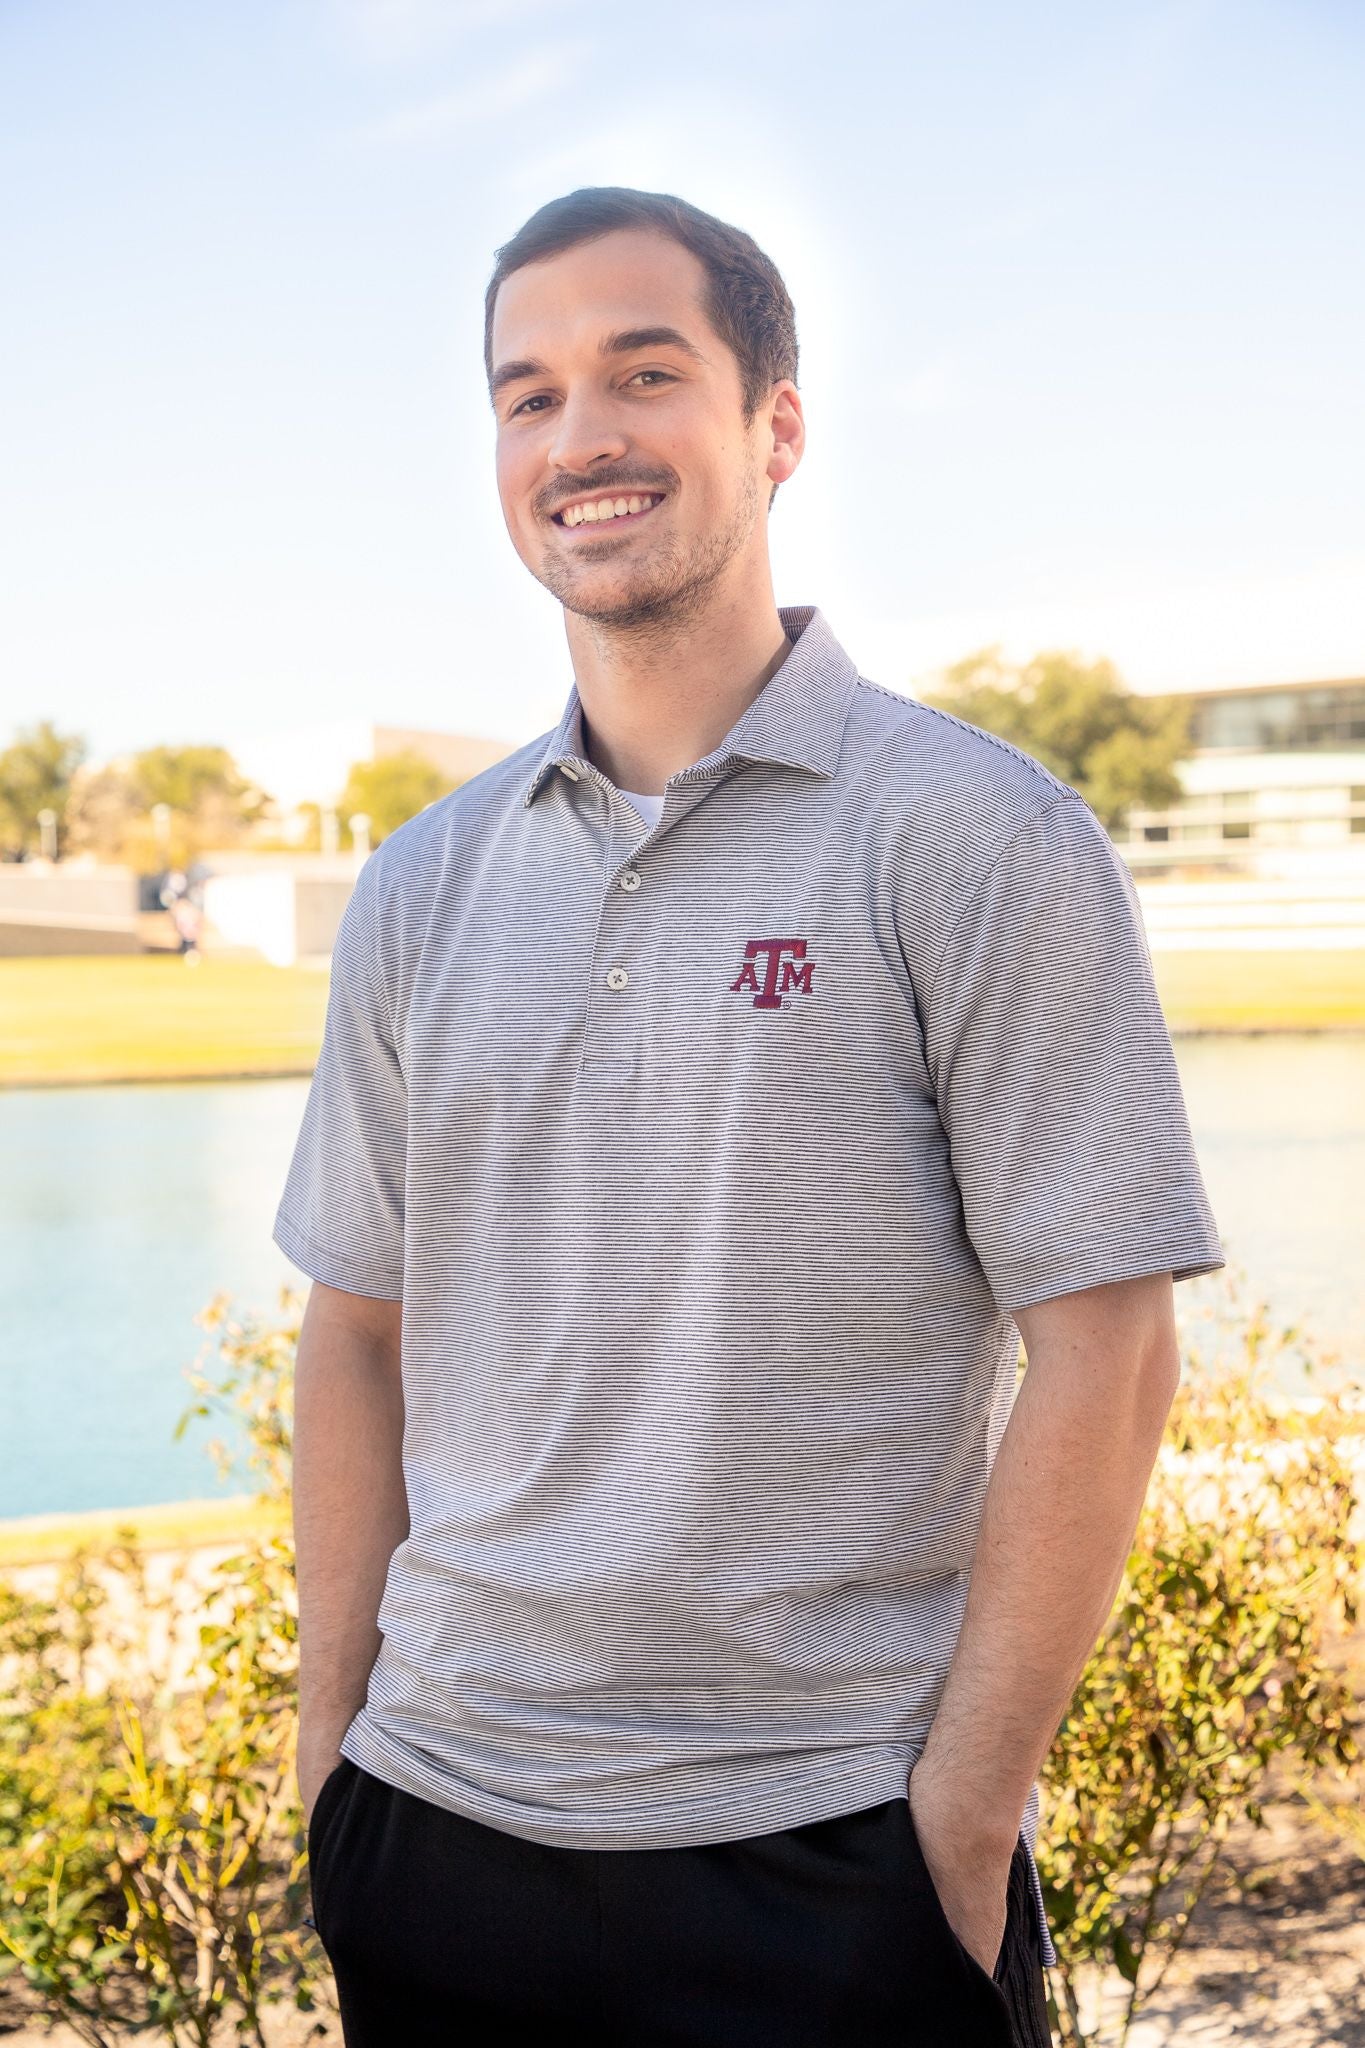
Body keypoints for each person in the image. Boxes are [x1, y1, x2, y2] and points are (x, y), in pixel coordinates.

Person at [274, 188, 1224, 2047]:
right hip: (440, 1831)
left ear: (775, 424)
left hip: (826, 1852)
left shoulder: (974, 835)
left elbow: (1105, 1351)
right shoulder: (421, 883)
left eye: (646, 373)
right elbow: (356, 1337)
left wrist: (956, 1828)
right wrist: (334, 1764)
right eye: (526, 395)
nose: (581, 438)